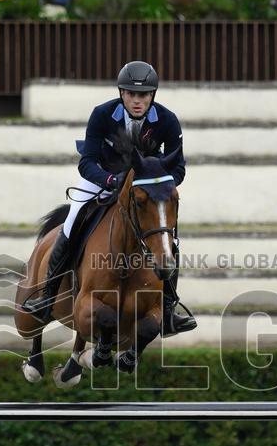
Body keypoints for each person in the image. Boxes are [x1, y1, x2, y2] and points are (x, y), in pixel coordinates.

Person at [22, 60, 197, 337]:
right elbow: (86, 162)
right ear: (121, 93)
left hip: (144, 188)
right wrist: (109, 181)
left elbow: (178, 169)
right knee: (71, 224)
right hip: (102, 180)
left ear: (153, 95)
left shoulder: (167, 120)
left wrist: (155, 186)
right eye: (131, 94)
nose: (137, 101)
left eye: (144, 95)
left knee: (169, 239)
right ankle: (47, 295)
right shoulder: (102, 115)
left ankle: (168, 308)